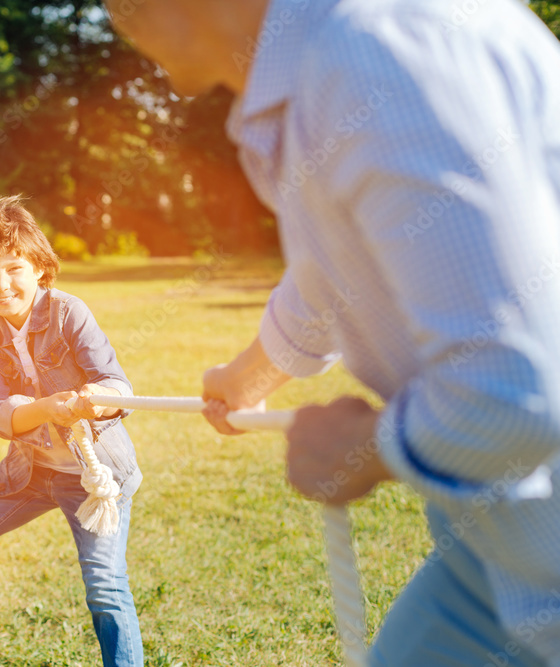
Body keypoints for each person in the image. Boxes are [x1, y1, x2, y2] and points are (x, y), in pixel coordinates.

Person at [105, 0, 560, 664]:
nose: (113, 16)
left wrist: (364, 448)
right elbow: (348, 265)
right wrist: (250, 376)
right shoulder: (326, 59)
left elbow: (517, 389)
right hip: (495, 551)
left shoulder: (376, 50)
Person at [0, 195, 144, 667]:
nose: (1, 285)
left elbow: (117, 386)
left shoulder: (70, 312)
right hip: (30, 471)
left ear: (39, 268)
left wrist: (96, 402)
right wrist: (46, 407)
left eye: (13, 268)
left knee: (106, 587)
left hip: (95, 477)